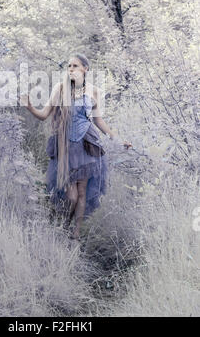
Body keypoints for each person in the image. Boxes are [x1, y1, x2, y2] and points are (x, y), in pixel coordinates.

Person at [21, 53, 132, 241]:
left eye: (74, 65)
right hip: (66, 146)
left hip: (87, 143)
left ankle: (76, 233)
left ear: (85, 69)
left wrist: (118, 140)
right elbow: (44, 114)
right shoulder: (61, 88)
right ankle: (63, 226)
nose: (70, 69)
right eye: (69, 66)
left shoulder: (94, 91)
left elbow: (98, 121)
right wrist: (30, 107)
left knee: (82, 193)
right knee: (71, 196)